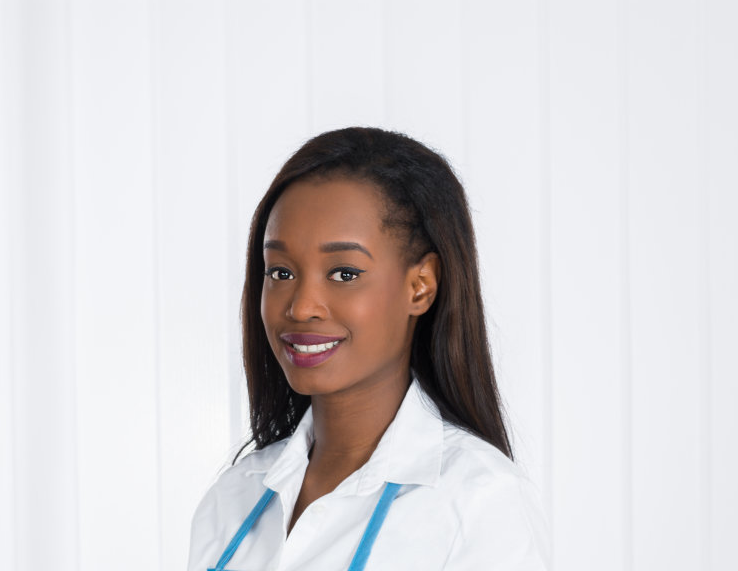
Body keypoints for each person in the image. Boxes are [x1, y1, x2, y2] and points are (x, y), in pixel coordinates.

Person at [188, 128, 547, 570]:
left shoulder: (478, 502)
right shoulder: (234, 498)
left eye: (343, 273)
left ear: (420, 286)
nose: (301, 307)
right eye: (280, 272)